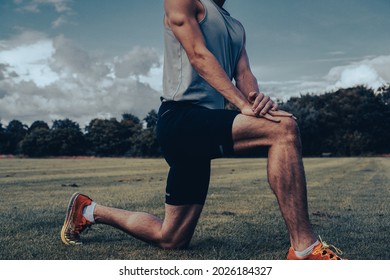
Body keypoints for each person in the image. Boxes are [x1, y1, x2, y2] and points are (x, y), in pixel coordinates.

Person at [61, 0, 345, 260]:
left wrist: (255, 101)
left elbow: (244, 73)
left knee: (171, 238)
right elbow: (198, 54)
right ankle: (304, 250)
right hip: (181, 120)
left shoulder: (235, 26)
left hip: (204, 126)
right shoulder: (183, 2)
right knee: (284, 128)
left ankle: (88, 210)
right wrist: (240, 105)